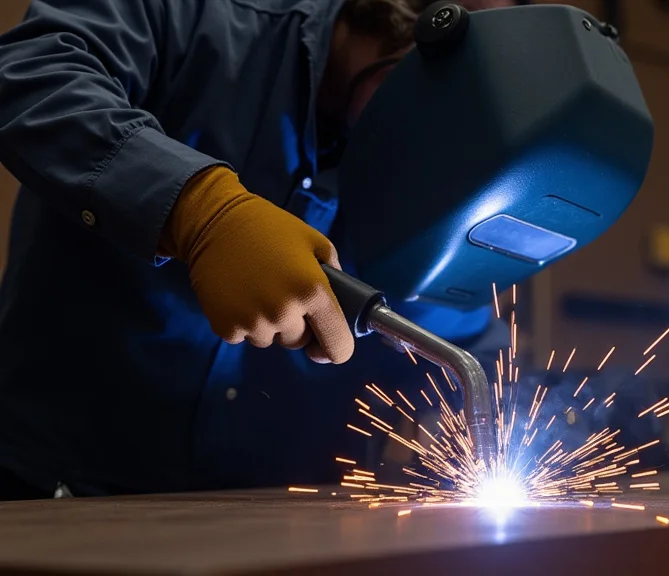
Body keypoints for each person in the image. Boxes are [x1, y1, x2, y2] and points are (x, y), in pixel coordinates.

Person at [0, 0, 513, 500]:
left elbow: (459, 338)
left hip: (254, 522)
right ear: (413, 22)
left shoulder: (424, 180)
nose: (430, 160)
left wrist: (445, 422)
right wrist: (200, 210)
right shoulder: (201, 19)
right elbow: (31, 70)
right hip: (52, 484)